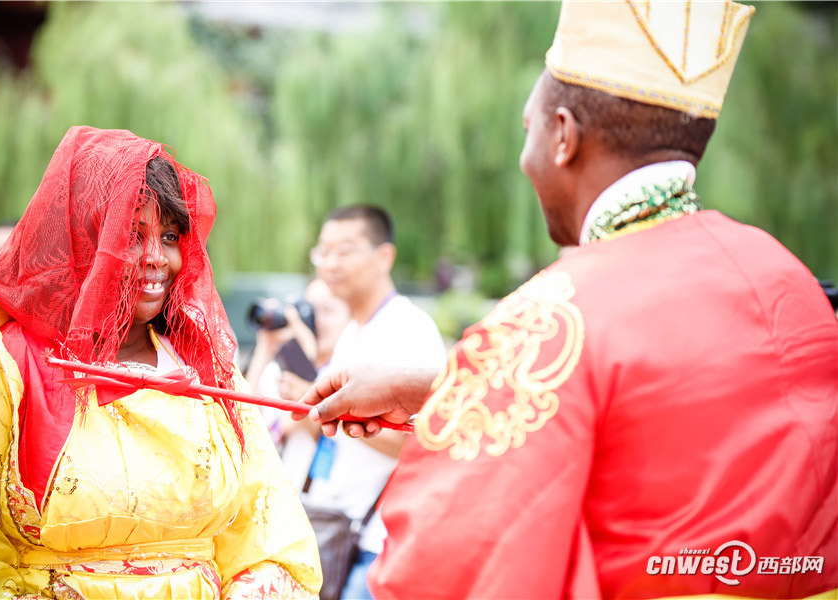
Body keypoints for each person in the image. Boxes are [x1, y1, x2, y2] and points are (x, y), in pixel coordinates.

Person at [300, 2, 838, 598]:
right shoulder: (786, 278)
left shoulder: (550, 319)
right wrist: (445, 389)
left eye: (528, 129)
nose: (523, 156)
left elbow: (454, 556)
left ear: (563, 135)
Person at [0, 126, 322, 599]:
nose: (156, 259)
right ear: (83, 240)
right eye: (131, 235)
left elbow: (267, 528)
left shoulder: (207, 371)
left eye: (168, 235)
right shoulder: (1, 369)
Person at [307, 205, 447, 600]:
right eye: (323, 251)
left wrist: (337, 412)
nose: (330, 262)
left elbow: (426, 439)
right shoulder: (354, 330)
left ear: (384, 256)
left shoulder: (408, 328)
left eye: (345, 250)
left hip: (381, 539)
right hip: (343, 528)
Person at [246, 277, 351, 490]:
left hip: (323, 505)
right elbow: (245, 420)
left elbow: (295, 423)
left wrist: (306, 359)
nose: (316, 319)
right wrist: (265, 350)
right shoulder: (281, 368)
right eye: (309, 309)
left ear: (351, 318)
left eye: (327, 310)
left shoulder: (347, 375)